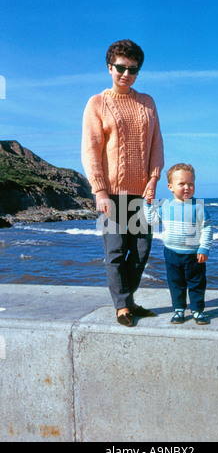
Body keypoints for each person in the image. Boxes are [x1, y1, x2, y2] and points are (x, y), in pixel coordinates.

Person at [81, 39, 164, 327]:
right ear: (110, 67)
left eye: (133, 69)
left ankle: (128, 299)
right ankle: (122, 307)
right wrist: (99, 190)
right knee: (115, 252)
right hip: (112, 195)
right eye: (121, 68)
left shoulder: (147, 103)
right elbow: (90, 149)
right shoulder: (97, 103)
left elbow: (156, 145)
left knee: (141, 251)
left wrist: (153, 180)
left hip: (141, 194)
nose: (126, 74)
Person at [144, 163, 213, 325]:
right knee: (176, 283)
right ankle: (179, 310)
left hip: (194, 254)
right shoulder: (165, 206)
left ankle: (197, 311)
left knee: (197, 283)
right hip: (171, 253)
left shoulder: (199, 207)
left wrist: (204, 248)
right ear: (171, 187)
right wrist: (147, 204)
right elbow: (152, 221)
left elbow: (207, 227)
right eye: (182, 184)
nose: (187, 187)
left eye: (191, 184)